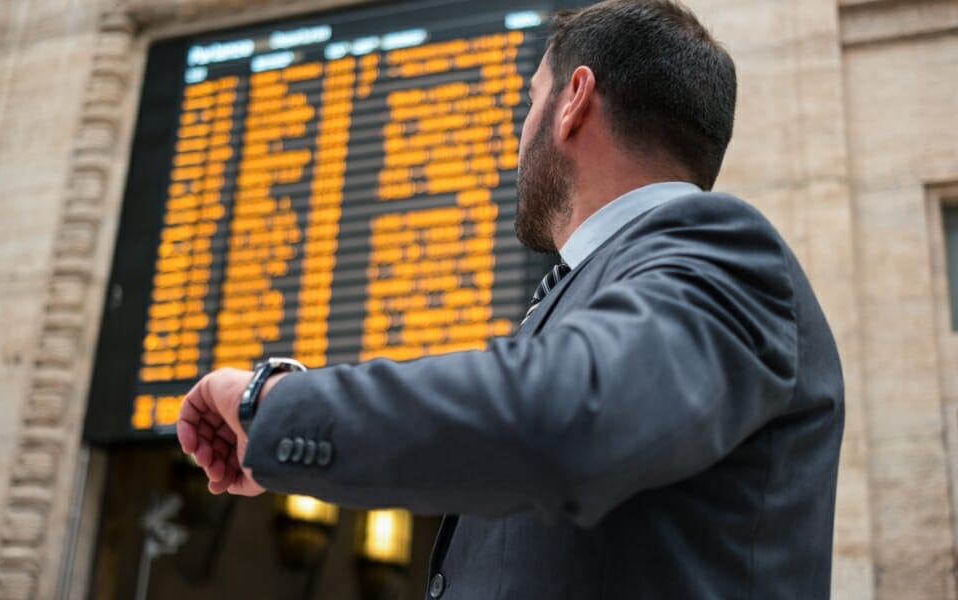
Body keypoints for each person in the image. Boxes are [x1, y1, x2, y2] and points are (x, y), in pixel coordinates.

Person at [178, 0, 845, 597]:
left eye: (531, 100)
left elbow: (562, 414)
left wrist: (270, 405)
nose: (519, 131)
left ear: (575, 99)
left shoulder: (725, 249)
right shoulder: (604, 285)